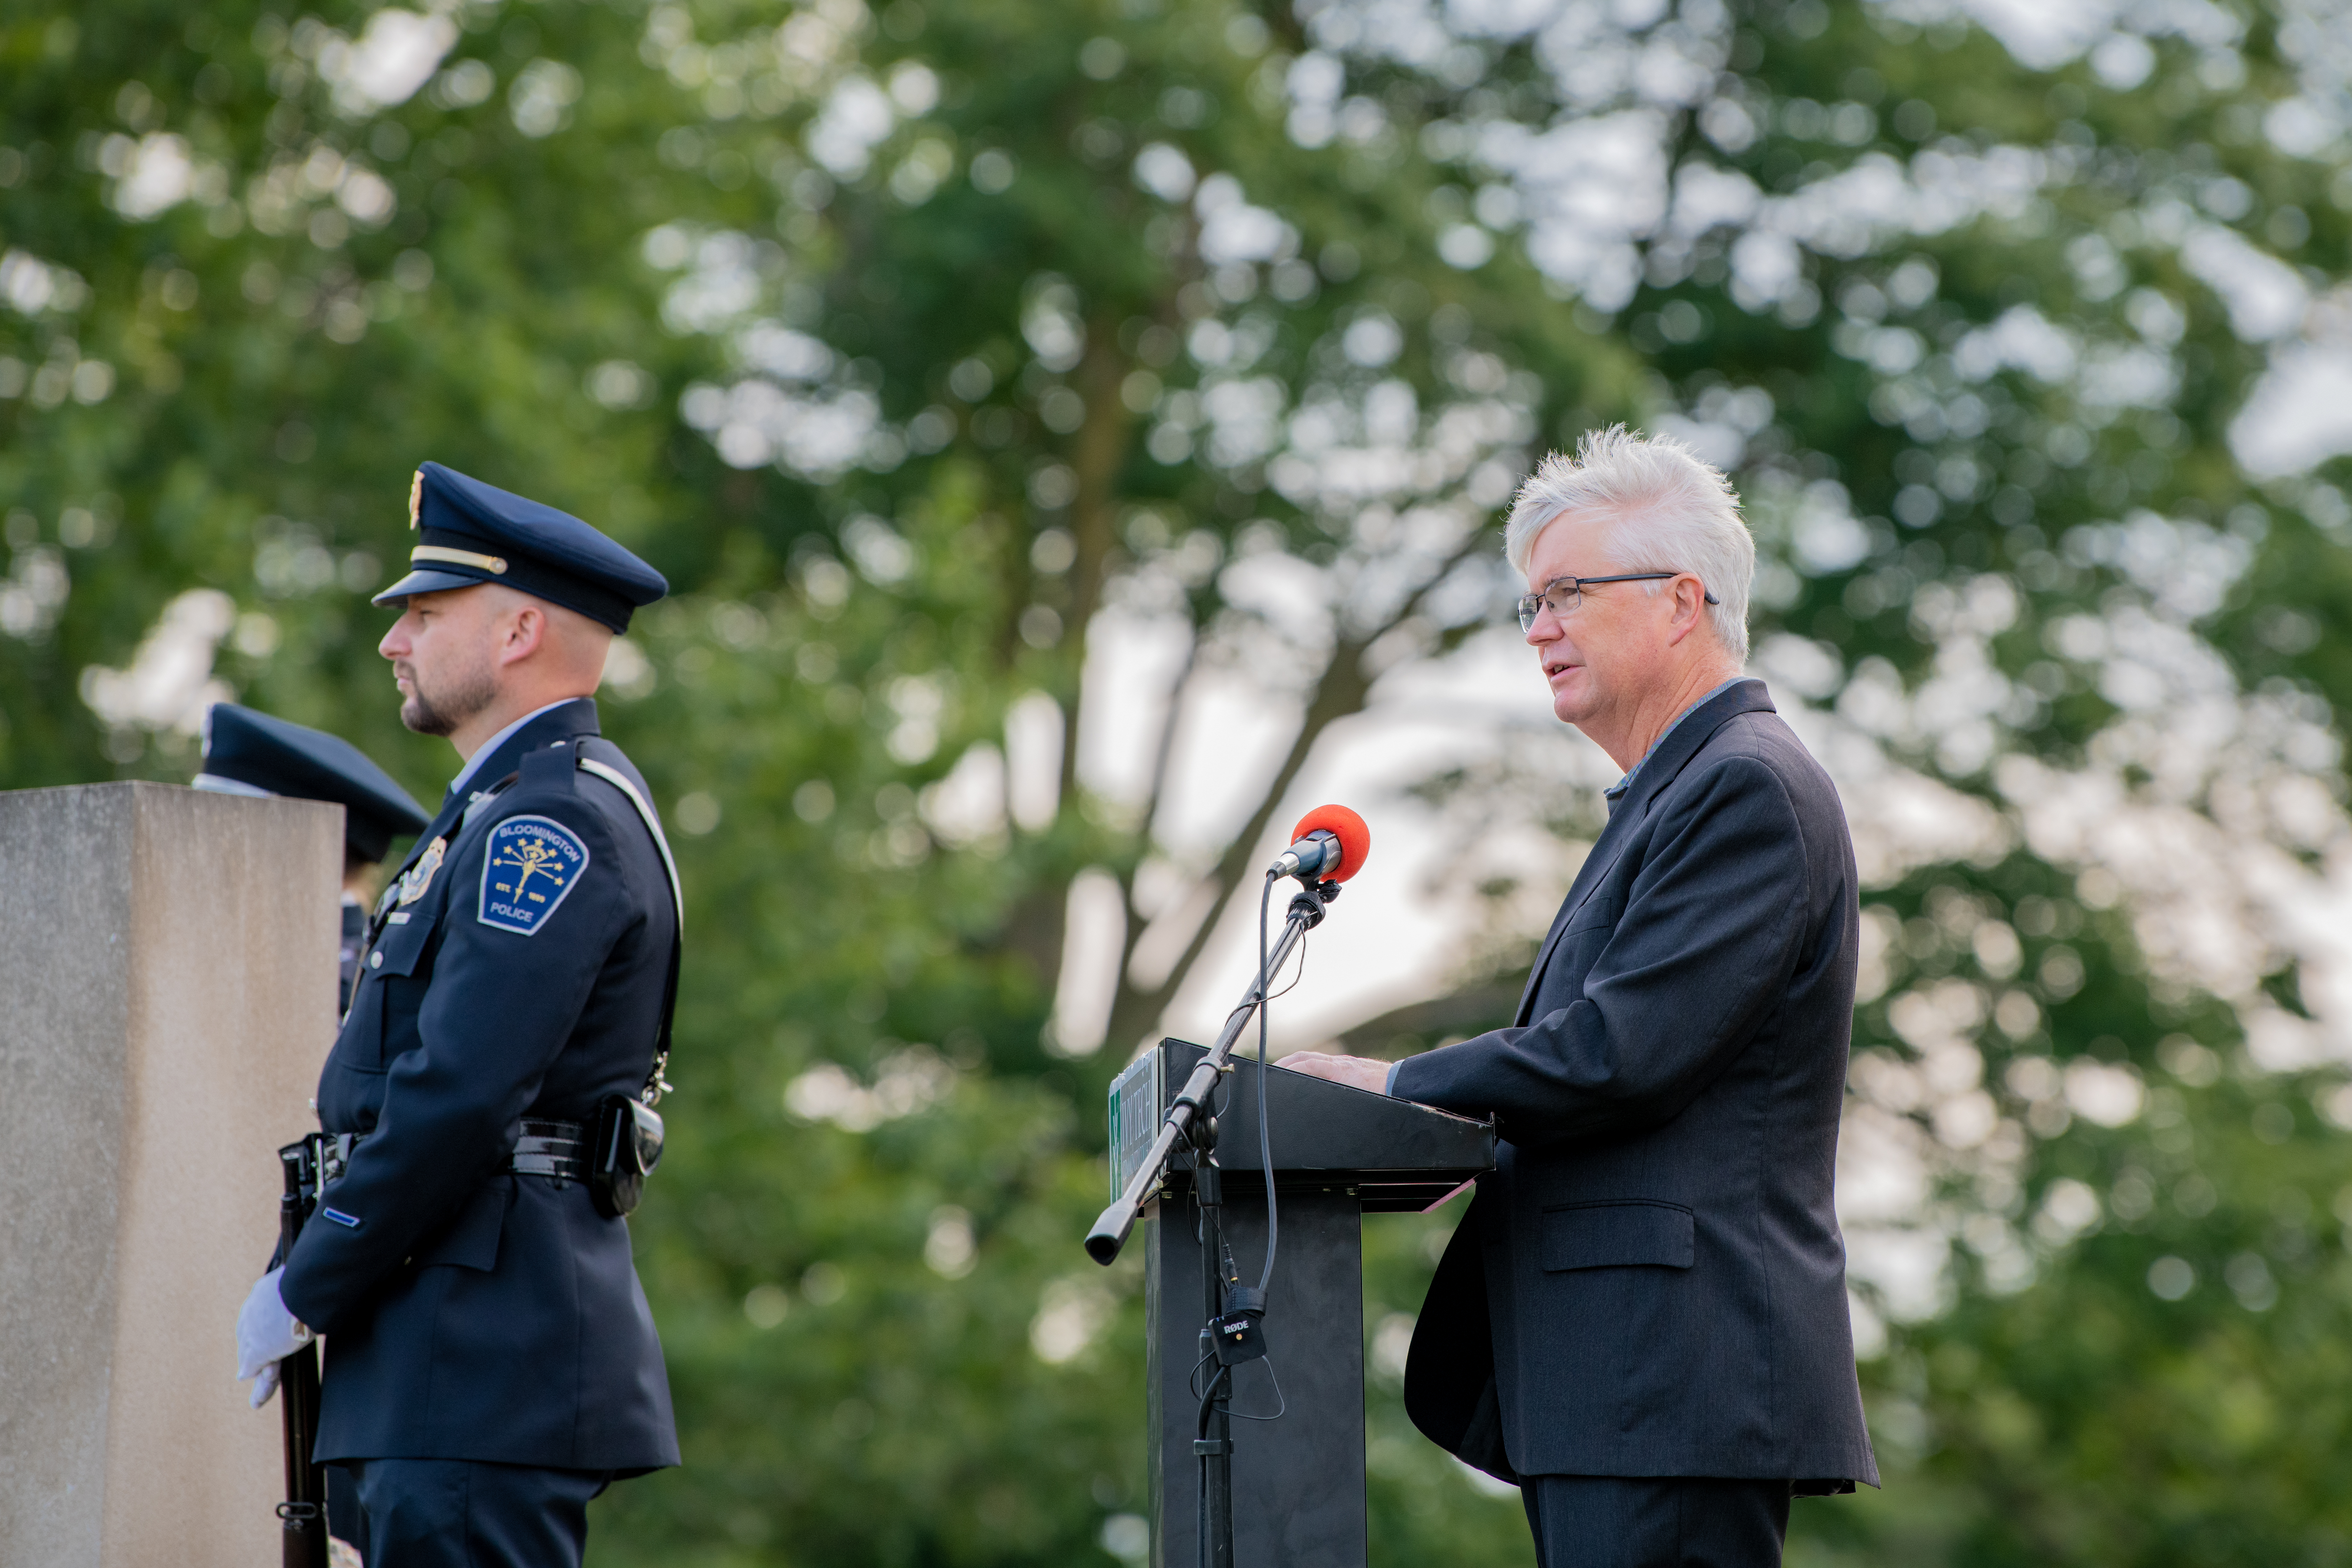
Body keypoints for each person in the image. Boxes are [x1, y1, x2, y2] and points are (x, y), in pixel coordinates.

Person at [1284, 427, 1876, 1567]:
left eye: (1566, 594)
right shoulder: (1676, 792)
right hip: (1624, 1385)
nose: (1538, 628)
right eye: (1528, 604)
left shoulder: (1745, 787)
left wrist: (1399, 1086)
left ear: (1679, 603)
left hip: (1668, 1377)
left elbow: (1623, 1052)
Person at [234, 461, 683, 1567]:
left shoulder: (549, 824)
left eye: (426, 613)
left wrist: (310, 1280)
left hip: (475, 1353)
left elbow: (460, 1090)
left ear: (520, 628)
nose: (395, 639)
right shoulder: (501, 810)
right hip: (446, 1350)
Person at [194, 702, 431, 1011]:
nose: (202, 849)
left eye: (229, 828)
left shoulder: (347, 984)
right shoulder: (248, 949)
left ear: (300, 840)